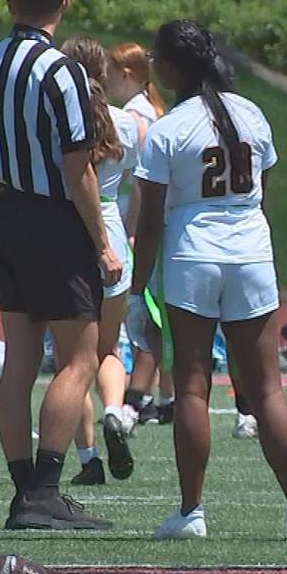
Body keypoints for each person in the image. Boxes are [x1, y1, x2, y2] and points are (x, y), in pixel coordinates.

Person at [131, 19, 287, 541]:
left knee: (193, 386)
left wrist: (135, 291)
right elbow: (266, 192)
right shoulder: (252, 113)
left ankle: (192, 511)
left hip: (193, 252)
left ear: (171, 67)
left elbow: (148, 223)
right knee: (267, 389)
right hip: (251, 251)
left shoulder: (170, 128)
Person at [0, 0, 122, 530]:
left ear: (9, 0)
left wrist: (7, 209)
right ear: (65, 2)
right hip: (53, 219)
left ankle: (22, 490)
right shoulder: (63, 71)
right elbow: (78, 167)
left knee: (19, 357)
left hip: (5, 213)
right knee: (80, 356)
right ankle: (45, 491)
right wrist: (102, 241)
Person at [59, 36, 146, 485]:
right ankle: (116, 410)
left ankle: (89, 456)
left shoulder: (59, 121)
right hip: (113, 227)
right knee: (108, 348)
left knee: (73, 361)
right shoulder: (128, 123)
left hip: (72, 236)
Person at [107, 42, 174, 426]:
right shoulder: (150, 110)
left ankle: (136, 398)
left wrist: (131, 230)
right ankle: (166, 395)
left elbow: (140, 182)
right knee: (155, 314)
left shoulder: (133, 116)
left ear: (127, 74)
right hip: (146, 219)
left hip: (132, 220)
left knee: (142, 315)